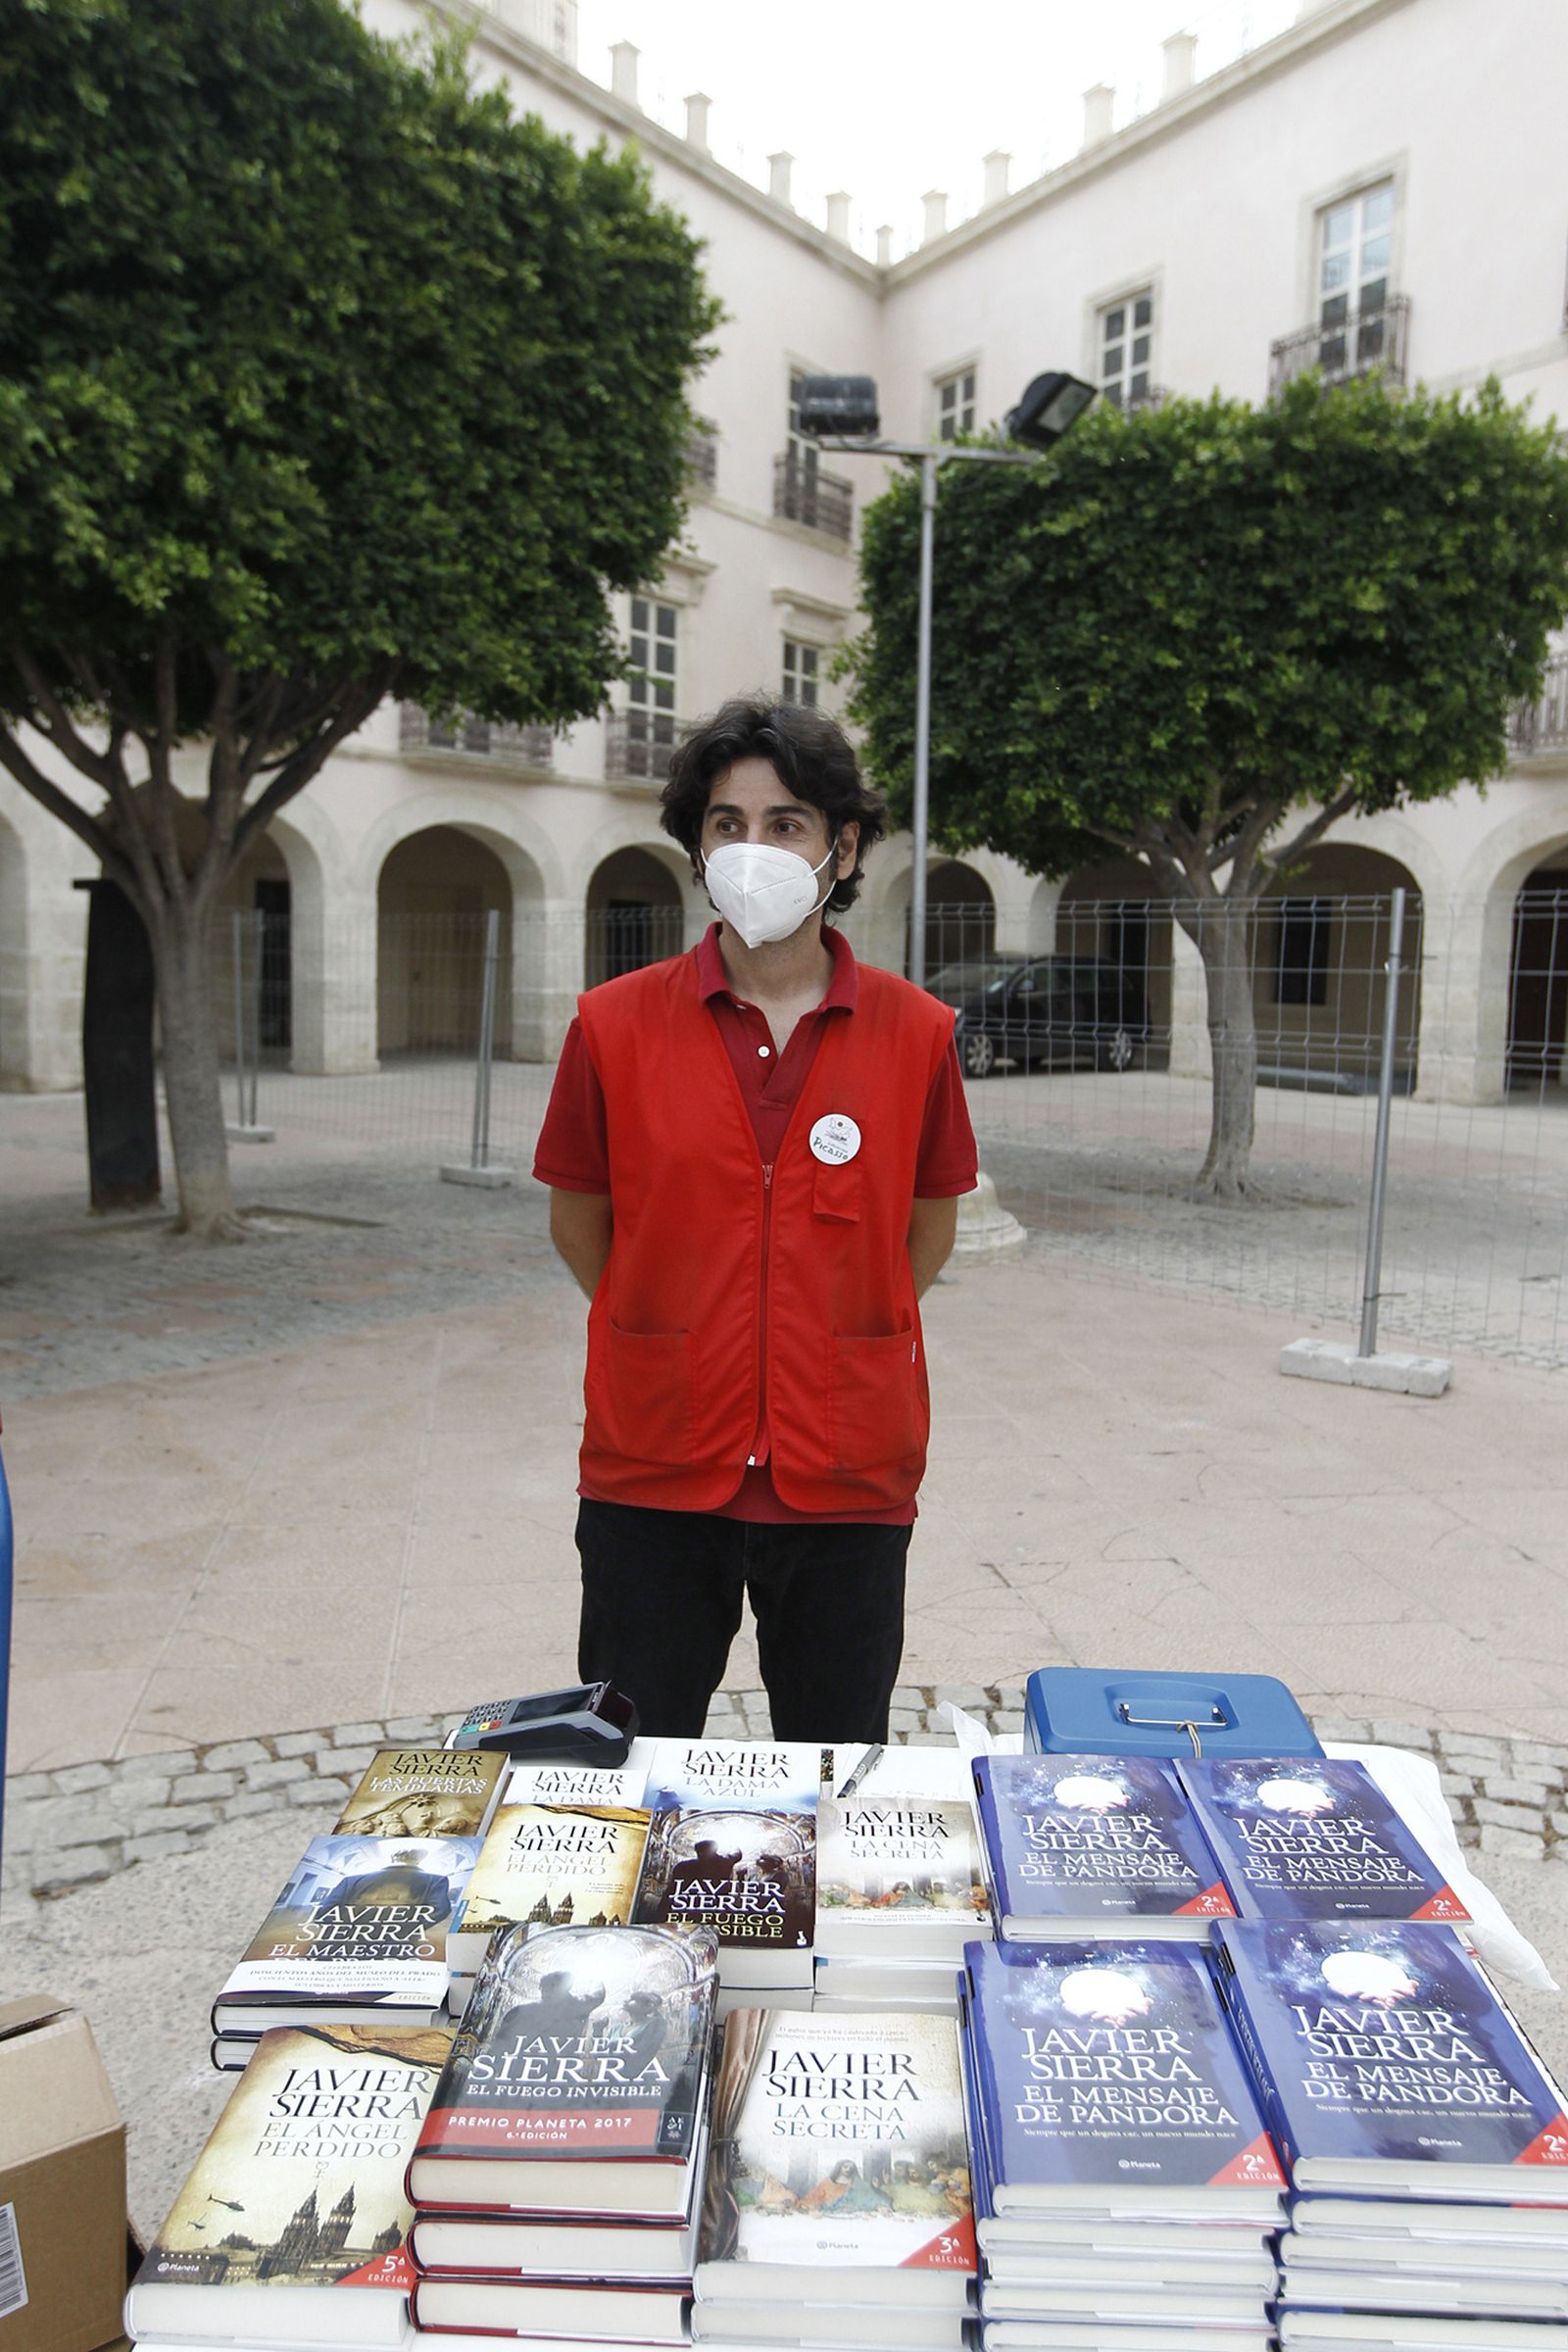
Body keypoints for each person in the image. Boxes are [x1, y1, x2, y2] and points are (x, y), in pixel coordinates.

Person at [533, 694, 978, 1740]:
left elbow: (928, 1228)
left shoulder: (916, 1034)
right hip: (654, 1466)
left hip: (847, 1472)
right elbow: (579, 1221)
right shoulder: (612, 1024)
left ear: (844, 844)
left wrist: (822, 1333)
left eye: (785, 824)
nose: (752, 848)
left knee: (834, 1766)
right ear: (696, 845)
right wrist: (678, 1320)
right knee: (630, 1764)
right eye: (727, 825)